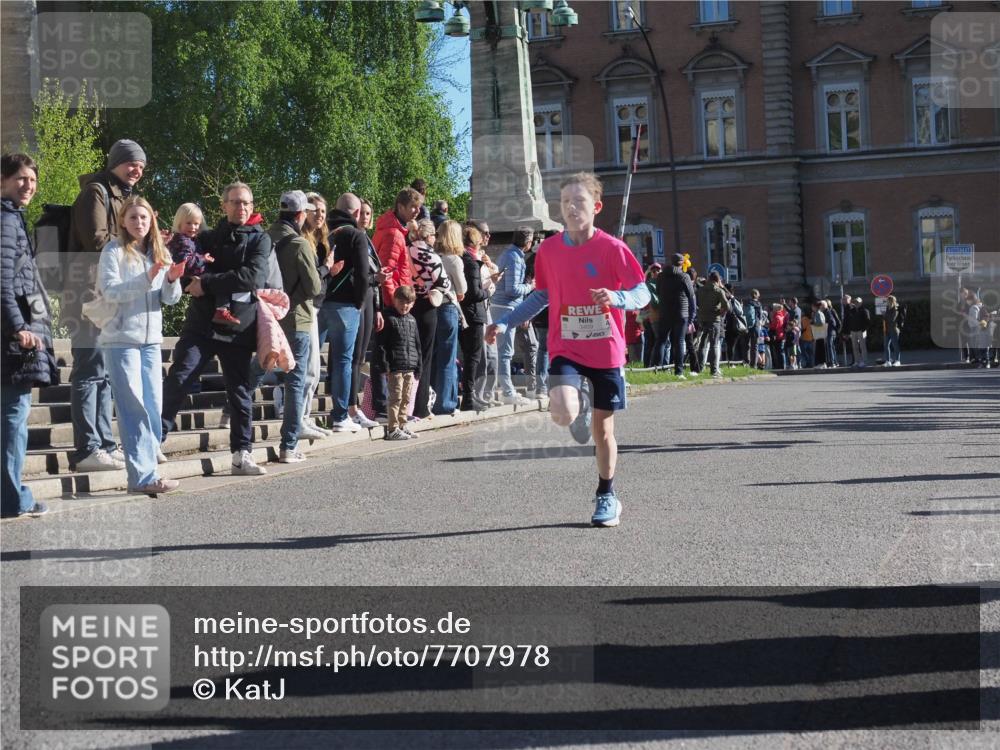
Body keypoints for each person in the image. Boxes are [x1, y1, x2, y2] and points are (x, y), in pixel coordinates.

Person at [486, 172, 649, 528]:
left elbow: (643, 292)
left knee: (603, 432)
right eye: (565, 203)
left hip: (606, 350)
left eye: (580, 201)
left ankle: (607, 493)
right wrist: (505, 322)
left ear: (596, 207)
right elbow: (541, 296)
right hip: (567, 346)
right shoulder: (549, 250)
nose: (572, 208)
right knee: (561, 412)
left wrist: (618, 297)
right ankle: (577, 401)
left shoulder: (612, 249)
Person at [160, 181, 270, 476]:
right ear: (223, 205)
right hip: (202, 324)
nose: (241, 207)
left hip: (239, 326)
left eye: (246, 202)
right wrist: (189, 282)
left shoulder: (261, 240)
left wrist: (207, 282)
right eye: (235, 202)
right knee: (180, 377)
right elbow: (183, 268)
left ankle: (242, 453)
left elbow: (251, 277)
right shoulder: (206, 237)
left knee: (239, 392)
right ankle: (154, 440)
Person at [66, 139, 147, 473]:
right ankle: (87, 448)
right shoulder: (96, 192)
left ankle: (104, 444)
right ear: (116, 162)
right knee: (88, 370)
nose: (137, 170)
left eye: (141, 166)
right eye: (132, 163)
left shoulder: (123, 197)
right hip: (88, 296)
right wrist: (135, 248)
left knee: (101, 372)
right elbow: (97, 241)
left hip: (107, 297)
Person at [98, 196, 184, 495]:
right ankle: (142, 477)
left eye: (144, 218)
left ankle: (149, 473)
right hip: (121, 339)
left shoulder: (157, 252)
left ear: (152, 222)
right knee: (133, 406)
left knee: (152, 406)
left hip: (150, 341)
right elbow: (109, 291)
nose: (139, 223)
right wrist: (146, 279)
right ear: (122, 221)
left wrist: (171, 279)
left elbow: (171, 298)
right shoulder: (113, 251)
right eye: (133, 218)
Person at [1, 153, 56, 517]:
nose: (29, 187)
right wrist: (20, 327)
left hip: (20, 332)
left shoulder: (14, 219)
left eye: (33, 181)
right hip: (11, 338)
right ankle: (11, 499)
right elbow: (3, 282)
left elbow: (25, 281)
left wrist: (40, 321)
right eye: (21, 179)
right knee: (13, 419)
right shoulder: (6, 220)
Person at [267, 190, 323, 462]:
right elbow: (314, 286)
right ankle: (288, 445)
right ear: (300, 215)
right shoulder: (300, 244)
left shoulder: (264, 238)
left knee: (258, 368)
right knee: (295, 380)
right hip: (297, 319)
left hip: (266, 318)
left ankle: (235, 426)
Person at [323, 193, 372, 432]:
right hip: (346, 306)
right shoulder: (356, 235)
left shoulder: (322, 231)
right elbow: (363, 274)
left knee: (309, 362)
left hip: (319, 302)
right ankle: (341, 415)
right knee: (344, 360)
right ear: (356, 214)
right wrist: (360, 303)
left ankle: (300, 415)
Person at [299, 192, 340, 439]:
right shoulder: (302, 240)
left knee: (313, 368)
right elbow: (313, 278)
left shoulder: (319, 240)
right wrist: (328, 268)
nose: (320, 215)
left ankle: (305, 417)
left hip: (316, 306)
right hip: (306, 308)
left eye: (323, 212)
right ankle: (300, 419)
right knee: (310, 368)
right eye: (316, 211)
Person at [167, 203, 242, 327]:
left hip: (195, 272)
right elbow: (185, 261)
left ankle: (222, 309)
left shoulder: (189, 239)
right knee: (220, 280)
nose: (193, 227)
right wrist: (203, 259)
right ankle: (222, 310)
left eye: (196, 224)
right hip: (192, 274)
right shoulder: (182, 240)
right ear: (179, 223)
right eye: (189, 223)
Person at [346, 197, 383, 429]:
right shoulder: (351, 238)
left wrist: (378, 308)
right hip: (356, 299)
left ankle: (354, 407)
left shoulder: (368, 240)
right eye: (361, 213)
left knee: (360, 357)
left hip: (371, 298)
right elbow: (354, 275)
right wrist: (374, 279)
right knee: (353, 357)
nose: (365, 217)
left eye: (369, 213)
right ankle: (350, 407)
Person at [408, 218, 450, 419]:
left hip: (409, 304)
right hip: (426, 305)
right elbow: (444, 282)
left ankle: (409, 403)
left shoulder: (407, 250)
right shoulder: (429, 255)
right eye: (434, 235)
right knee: (425, 356)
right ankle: (421, 406)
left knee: (412, 356)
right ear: (428, 236)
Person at [491, 227, 535, 405]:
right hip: (506, 308)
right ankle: (508, 392)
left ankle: (503, 388)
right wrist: (531, 286)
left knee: (503, 351)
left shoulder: (508, 254)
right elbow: (512, 289)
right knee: (505, 352)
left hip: (502, 306)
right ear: (528, 243)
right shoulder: (515, 258)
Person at [432, 220, 465, 416]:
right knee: (448, 358)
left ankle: (433, 399)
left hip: (432, 308)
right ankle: (446, 403)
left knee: (435, 357)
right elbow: (462, 290)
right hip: (448, 308)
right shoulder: (454, 260)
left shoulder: (434, 256)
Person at [381, 285, 422, 440]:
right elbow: (382, 345)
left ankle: (402, 425)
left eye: (408, 303)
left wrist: (419, 365)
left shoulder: (412, 320)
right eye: (402, 302)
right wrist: (385, 365)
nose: (405, 306)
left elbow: (417, 344)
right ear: (394, 300)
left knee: (406, 398)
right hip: (395, 366)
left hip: (410, 366)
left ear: (412, 303)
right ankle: (392, 428)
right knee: (396, 398)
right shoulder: (388, 318)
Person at [458, 225, 490, 412]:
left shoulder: (466, 259)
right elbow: (475, 293)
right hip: (474, 313)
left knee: (470, 357)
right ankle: (469, 398)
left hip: (467, 312)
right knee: (473, 358)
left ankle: (469, 396)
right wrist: (489, 288)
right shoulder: (470, 261)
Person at [656, 253, 696, 377]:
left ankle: (656, 369)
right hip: (681, 312)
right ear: (682, 263)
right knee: (678, 342)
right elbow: (691, 295)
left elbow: (658, 291)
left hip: (665, 312)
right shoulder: (684, 276)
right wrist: (692, 315)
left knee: (661, 341)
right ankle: (679, 371)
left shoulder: (661, 276)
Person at [696, 270, 729, 378]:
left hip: (702, 319)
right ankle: (714, 370)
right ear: (718, 280)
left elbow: (696, 303)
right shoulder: (718, 291)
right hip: (714, 320)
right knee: (714, 344)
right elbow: (727, 306)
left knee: (702, 344)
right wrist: (721, 312)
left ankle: (700, 368)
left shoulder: (700, 290)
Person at [846, 296, 870, 367]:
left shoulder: (865, 310)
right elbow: (848, 320)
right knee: (855, 347)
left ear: (861, 303)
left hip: (861, 331)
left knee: (862, 347)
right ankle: (857, 361)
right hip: (853, 331)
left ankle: (864, 361)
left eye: (857, 302)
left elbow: (868, 321)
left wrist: (863, 329)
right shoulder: (851, 310)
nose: (856, 303)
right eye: (855, 302)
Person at [743, 289, 763, 365]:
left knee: (747, 344)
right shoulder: (758, 304)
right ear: (756, 295)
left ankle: (746, 362)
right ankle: (753, 364)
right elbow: (760, 316)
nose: (759, 295)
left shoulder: (747, 303)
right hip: (755, 325)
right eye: (758, 294)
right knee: (755, 346)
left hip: (747, 326)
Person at [882, 295, 902, 367]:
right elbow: (886, 319)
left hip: (894, 330)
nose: (887, 302)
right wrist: (884, 315)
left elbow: (892, 319)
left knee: (895, 346)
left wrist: (884, 315)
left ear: (891, 301)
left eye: (888, 300)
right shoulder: (888, 308)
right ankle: (888, 361)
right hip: (887, 330)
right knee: (886, 345)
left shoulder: (896, 308)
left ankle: (897, 361)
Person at [767, 303, 787, 370]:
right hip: (781, 335)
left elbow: (774, 326)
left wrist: (769, 325)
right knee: (781, 351)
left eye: (773, 308)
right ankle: (783, 365)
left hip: (777, 336)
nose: (772, 309)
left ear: (776, 309)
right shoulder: (782, 316)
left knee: (779, 352)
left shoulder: (776, 317)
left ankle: (780, 366)